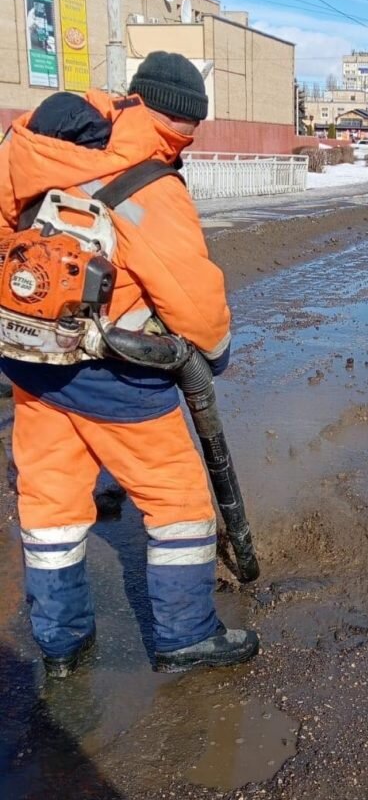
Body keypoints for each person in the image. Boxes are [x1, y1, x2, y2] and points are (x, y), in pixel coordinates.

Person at [0, 52, 259, 678]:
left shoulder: (33, 146)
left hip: (35, 359)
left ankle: (61, 644)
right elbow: (192, 299)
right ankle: (185, 636)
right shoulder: (150, 185)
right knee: (179, 502)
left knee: (50, 503)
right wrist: (215, 355)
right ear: (182, 121)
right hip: (117, 374)